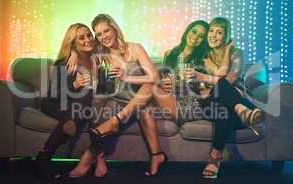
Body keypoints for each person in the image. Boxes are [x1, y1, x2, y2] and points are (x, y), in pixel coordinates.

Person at [67, 14, 166, 177]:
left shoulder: (135, 48)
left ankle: (88, 155)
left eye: (106, 31)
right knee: (100, 101)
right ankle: (99, 156)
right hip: (118, 100)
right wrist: (73, 53)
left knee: (148, 87)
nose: (103, 36)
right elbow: (80, 45)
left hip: (139, 98)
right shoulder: (100, 52)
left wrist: (127, 76)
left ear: (114, 28)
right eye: (98, 34)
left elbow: (154, 77)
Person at [184, 17, 263, 179]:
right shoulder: (204, 55)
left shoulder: (237, 53)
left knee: (223, 107)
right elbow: (219, 80)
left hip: (225, 102)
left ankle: (214, 159)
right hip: (210, 103)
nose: (213, 35)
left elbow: (230, 79)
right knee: (222, 98)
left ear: (226, 36)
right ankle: (242, 110)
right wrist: (207, 80)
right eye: (211, 31)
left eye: (219, 32)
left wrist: (227, 53)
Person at [34, 23, 107, 179]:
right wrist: (74, 85)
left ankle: (42, 158)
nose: (87, 39)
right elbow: (54, 94)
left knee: (78, 111)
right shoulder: (66, 62)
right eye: (81, 37)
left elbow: (102, 90)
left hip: (78, 107)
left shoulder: (98, 62)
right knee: (79, 107)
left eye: (89, 35)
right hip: (54, 103)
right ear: (72, 42)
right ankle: (43, 158)